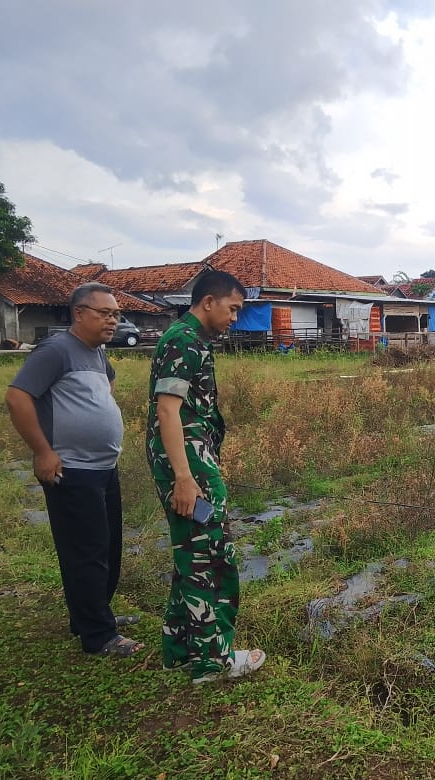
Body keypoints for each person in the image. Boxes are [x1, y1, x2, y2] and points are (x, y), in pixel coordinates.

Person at [5, 283, 144, 657]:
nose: (113, 321)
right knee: (86, 550)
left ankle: (93, 615)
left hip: (102, 467)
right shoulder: (55, 351)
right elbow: (17, 397)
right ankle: (98, 635)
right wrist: (43, 451)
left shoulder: (96, 353)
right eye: (105, 313)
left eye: (116, 315)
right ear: (79, 313)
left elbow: (107, 383)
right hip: (72, 470)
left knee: (108, 545)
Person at [146, 270, 265, 685]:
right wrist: (184, 476)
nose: (235, 318)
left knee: (192, 555)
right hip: (188, 467)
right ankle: (214, 662)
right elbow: (167, 411)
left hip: (192, 462)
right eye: (233, 309)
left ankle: (181, 648)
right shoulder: (183, 340)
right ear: (208, 301)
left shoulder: (190, 339)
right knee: (212, 559)